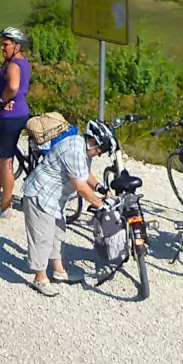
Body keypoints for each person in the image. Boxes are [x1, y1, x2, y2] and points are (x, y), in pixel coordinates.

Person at [20, 119, 111, 297]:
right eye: (100, 150)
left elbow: (84, 173)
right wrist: (100, 205)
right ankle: (40, 277)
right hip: (41, 194)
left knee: (58, 233)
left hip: (54, 199)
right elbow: (81, 187)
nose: (99, 155)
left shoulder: (82, 148)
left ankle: (58, 271)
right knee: (42, 237)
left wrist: (100, 187)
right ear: (93, 141)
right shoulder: (74, 150)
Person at [0, 27, 33, 220]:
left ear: (17, 46)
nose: (2, 47)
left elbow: (13, 86)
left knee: (6, 162)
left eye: (6, 44)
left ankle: (5, 207)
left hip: (9, 118)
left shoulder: (13, 65)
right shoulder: (21, 62)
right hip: (12, 116)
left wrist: (2, 100)